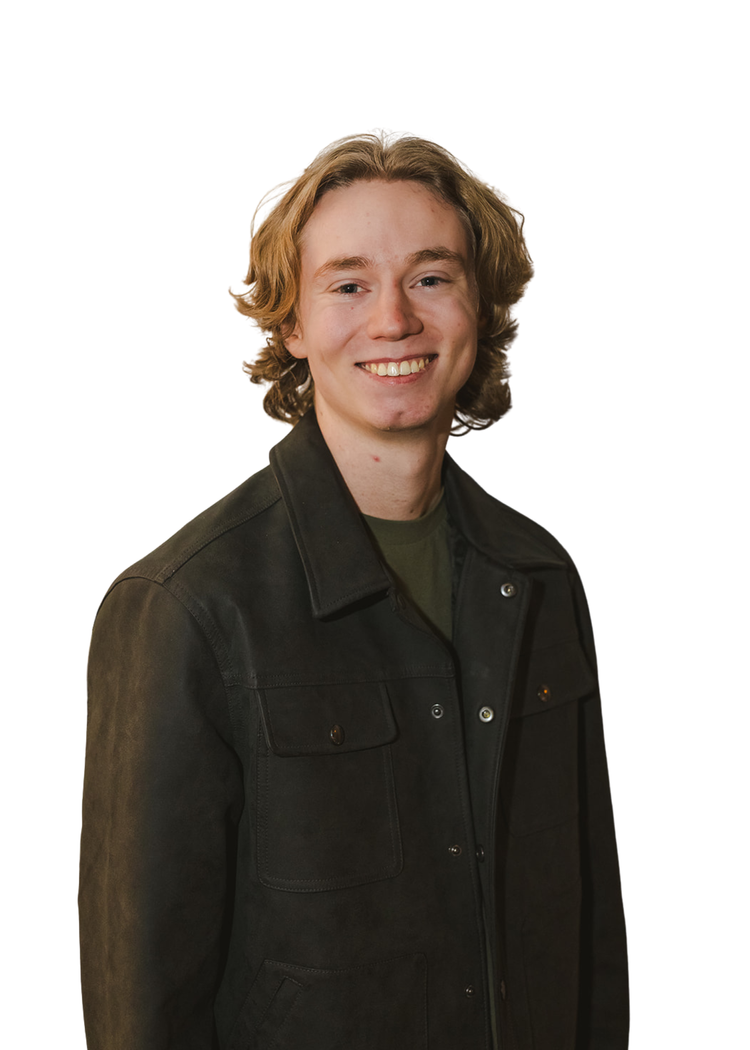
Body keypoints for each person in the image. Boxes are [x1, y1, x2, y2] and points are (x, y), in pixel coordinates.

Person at [79, 133, 629, 1050]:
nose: (393, 320)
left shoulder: (538, 580)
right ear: (290, 324)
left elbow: (588, 937)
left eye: (431, 278)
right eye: (347, 284)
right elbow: (143, 998)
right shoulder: (186, 607)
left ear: (479, 306)